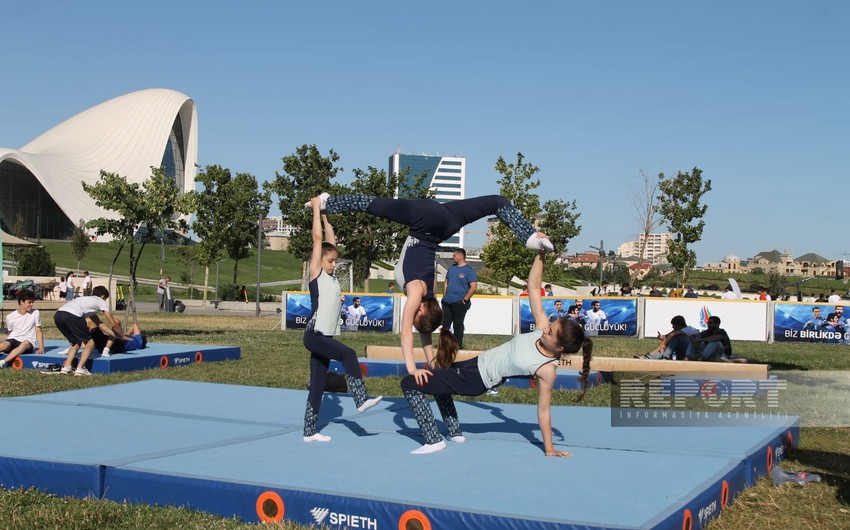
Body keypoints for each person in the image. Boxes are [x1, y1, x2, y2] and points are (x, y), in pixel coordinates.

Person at [313, 192, 552, 380]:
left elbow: (424, 334)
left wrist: (432, 362)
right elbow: (407, 332)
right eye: (418, 313)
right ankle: (327, 201)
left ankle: (532, 239)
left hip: (446, 224)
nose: (414, 310)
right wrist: (411, 368)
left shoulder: (431, 295)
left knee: (497, 202)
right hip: (423, 218)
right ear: (424, 310)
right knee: (371, 204)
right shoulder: (416, 291)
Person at [399, 248, 593, 455]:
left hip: (475, 380)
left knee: (409, 383)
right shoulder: (541, 327)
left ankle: (432, 438)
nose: (546, 329)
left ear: (560, 347)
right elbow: (534, 287)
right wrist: (541, 254)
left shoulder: (547, 370)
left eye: (551, 332)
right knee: (437, 378)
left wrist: (549, 448)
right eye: (550, 326)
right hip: (474, 364)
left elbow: (544, 410)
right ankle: (455, 432)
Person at [302, 196, 382, 442]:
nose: (334, 264)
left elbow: (330, 241)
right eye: (331, 260)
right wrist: (316, 208)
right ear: (319, 261)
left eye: (335, 260)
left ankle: (310, 432)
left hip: (325, 336)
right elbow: (319, 241)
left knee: (317, 385)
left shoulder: (333, 277)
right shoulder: (316, 273)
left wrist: (326, 215)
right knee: (348, 354)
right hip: (314, 335)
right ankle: (360, 399)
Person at [53, 285, 120, 376]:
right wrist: (121, 335)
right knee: (90, 343)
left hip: (58, 315)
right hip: (72, 315)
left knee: (75, 342)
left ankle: (67, 367)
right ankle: (80, 368)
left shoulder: (86, 301)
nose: (104, 302)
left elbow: (100, 324)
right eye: (105, 299)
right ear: (103, 296)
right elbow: (112, 322)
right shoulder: (100, 301)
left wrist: (114, 334)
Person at [441, 248, 478, 349]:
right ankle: (444, 345)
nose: (453, 257)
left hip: (459, 303)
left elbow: (473, 286)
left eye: (454, 255)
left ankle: (457, 346)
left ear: (461, 256)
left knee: (458, 324)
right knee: (445, 325)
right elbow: (446, 282)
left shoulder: (469, 271)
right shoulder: (451, 268)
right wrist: (444, 296)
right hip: (447, 302)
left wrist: (465, 300)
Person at [0, 290, 45, 369]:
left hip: (27, 342)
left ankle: (3, 362)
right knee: (3, 345)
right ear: (22, 302)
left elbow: (38, 331)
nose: (32, 305)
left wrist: (41, 348)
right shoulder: (10, 317)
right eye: (29, 302)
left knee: (25, 343)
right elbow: (10, 333)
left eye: (32, 302)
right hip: (13, 339)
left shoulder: (35, 313)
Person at [636, 315, 700, 360]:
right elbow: (666, 337)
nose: (672, 327)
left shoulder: (688, 329)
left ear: (679, 325)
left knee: (676, 338)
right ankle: (651, 356)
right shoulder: (678, 330)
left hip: (693, 351)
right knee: (670, 341)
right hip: (681, 351)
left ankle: (657, 355)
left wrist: (664, 345)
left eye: (673, 325)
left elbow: (672, 335)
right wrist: (661, 337)